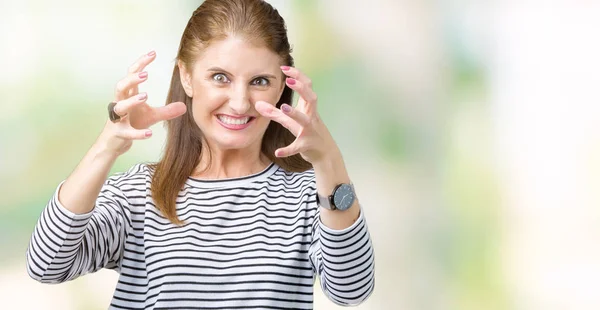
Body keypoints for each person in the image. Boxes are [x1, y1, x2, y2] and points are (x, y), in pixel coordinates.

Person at [26, 0, 375, 309]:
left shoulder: (307, 194)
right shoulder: (139, 193)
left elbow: (352, 290)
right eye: (220, 77)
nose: (239, 103)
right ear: (187, 76)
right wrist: (108, 144)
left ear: (282, 87)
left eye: (259, 81)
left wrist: (329, 161)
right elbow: (46, 265)